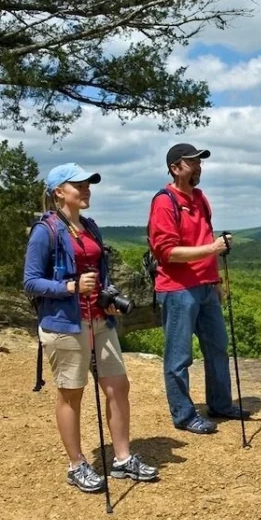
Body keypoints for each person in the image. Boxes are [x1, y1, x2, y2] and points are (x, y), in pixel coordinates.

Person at [23, 163, 159, 492]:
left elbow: (102, 272)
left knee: (118, 386)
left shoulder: (91, 227)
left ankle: (123, 459)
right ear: (59, 192)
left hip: (99, 318)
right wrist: (69, 288)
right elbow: (30, 281)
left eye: (88, 185)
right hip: (65, 324)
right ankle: (76, 464)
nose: (86, 190)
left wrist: (107, 296)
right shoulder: (46, 231)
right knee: (72, 394)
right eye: (78, 185)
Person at [146, 143, 250, 434]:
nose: (199, 167)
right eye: (193, 162)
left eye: (199, 162)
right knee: (179, 357)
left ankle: (220, 404)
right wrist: (213, 248)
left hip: (205, 287)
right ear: (175, 167)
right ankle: (184, 414)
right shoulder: (164, 202)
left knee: (217, 348)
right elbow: (167, 253)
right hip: (178, 289)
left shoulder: (201, 199)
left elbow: (204, 238)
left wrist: (215, 280)